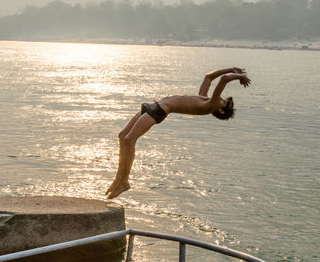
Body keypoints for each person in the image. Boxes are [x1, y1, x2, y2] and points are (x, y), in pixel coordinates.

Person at [105, 68, 251, 199]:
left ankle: (124, 182)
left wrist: (238, 76)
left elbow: (224, 79)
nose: (222, 99)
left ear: (221, 110)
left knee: (129, 139)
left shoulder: (210, 105)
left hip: (160, 110)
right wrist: (231, 69)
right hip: (153, 105)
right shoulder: (204, 98)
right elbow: (208, 77)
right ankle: (119, 179)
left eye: (224, 102)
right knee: (122, 136)